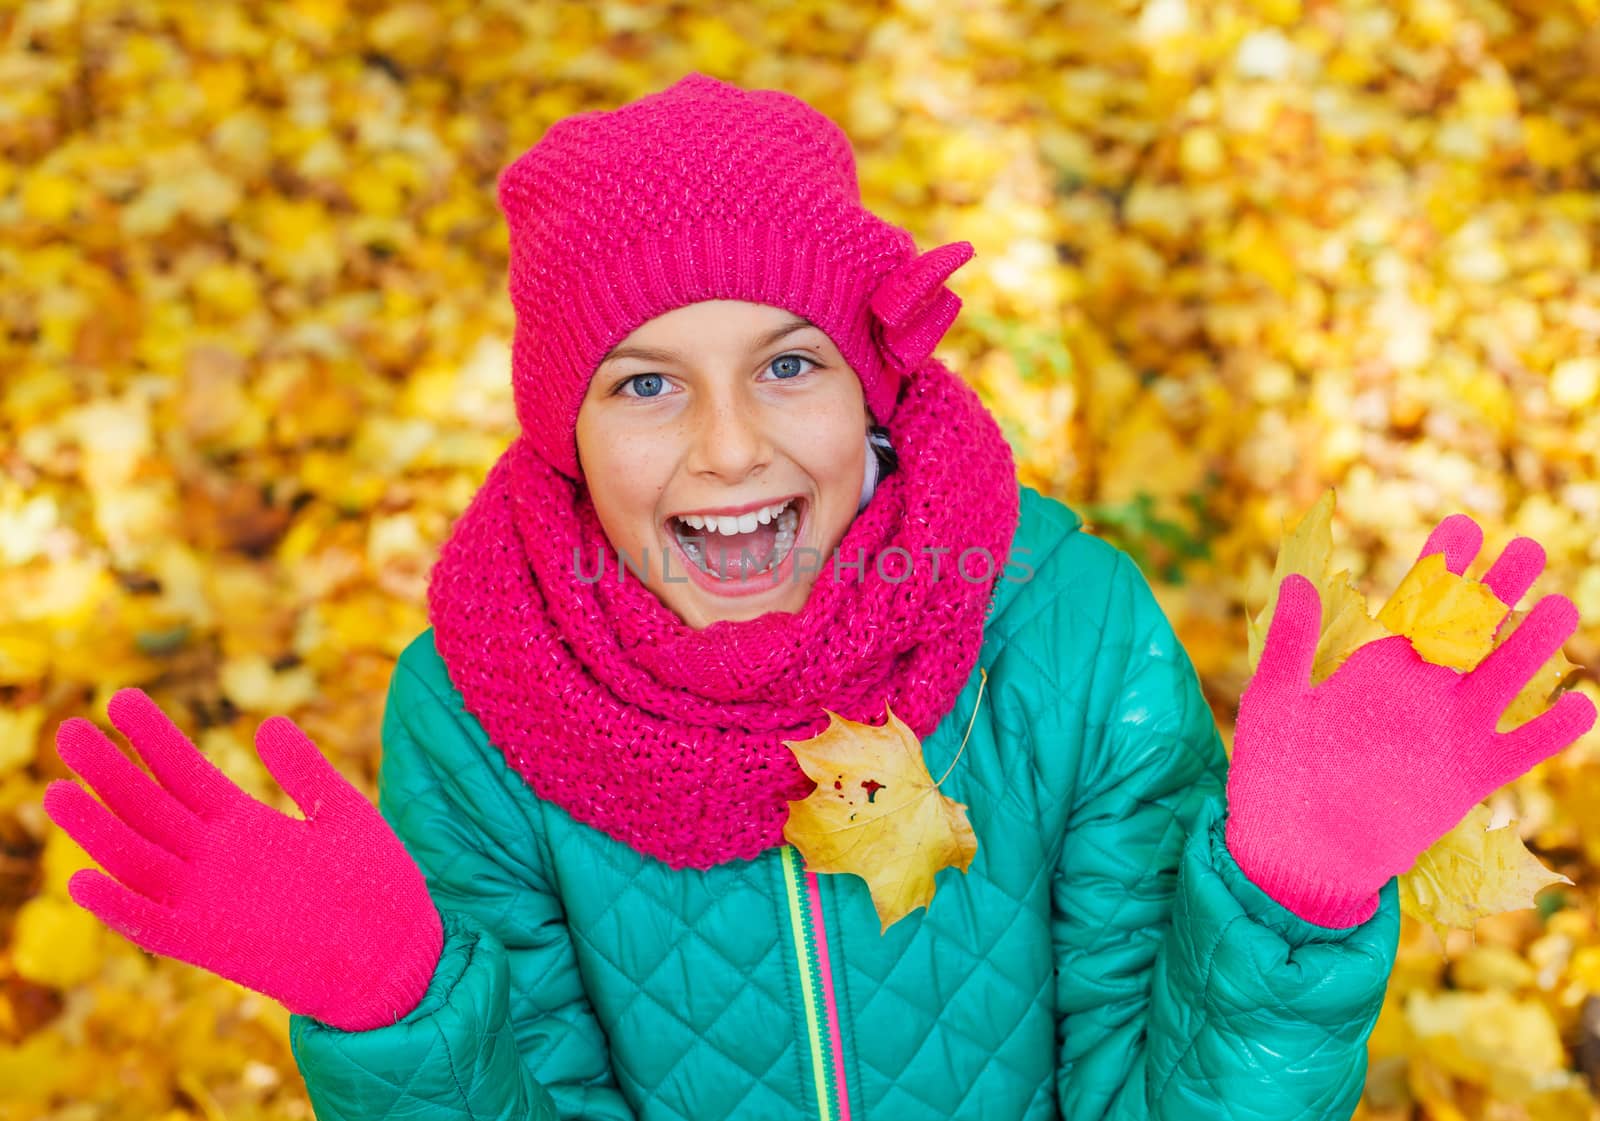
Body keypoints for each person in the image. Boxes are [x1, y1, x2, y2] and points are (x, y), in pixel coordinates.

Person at [42, 72, 1596, 1121]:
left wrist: (1276, 918)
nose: (730, 447)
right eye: (646, 382)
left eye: (788, 363)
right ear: (559, 435)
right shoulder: (479, 716)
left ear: (874, 384)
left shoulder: (1068, 637)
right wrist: (405, 1027)